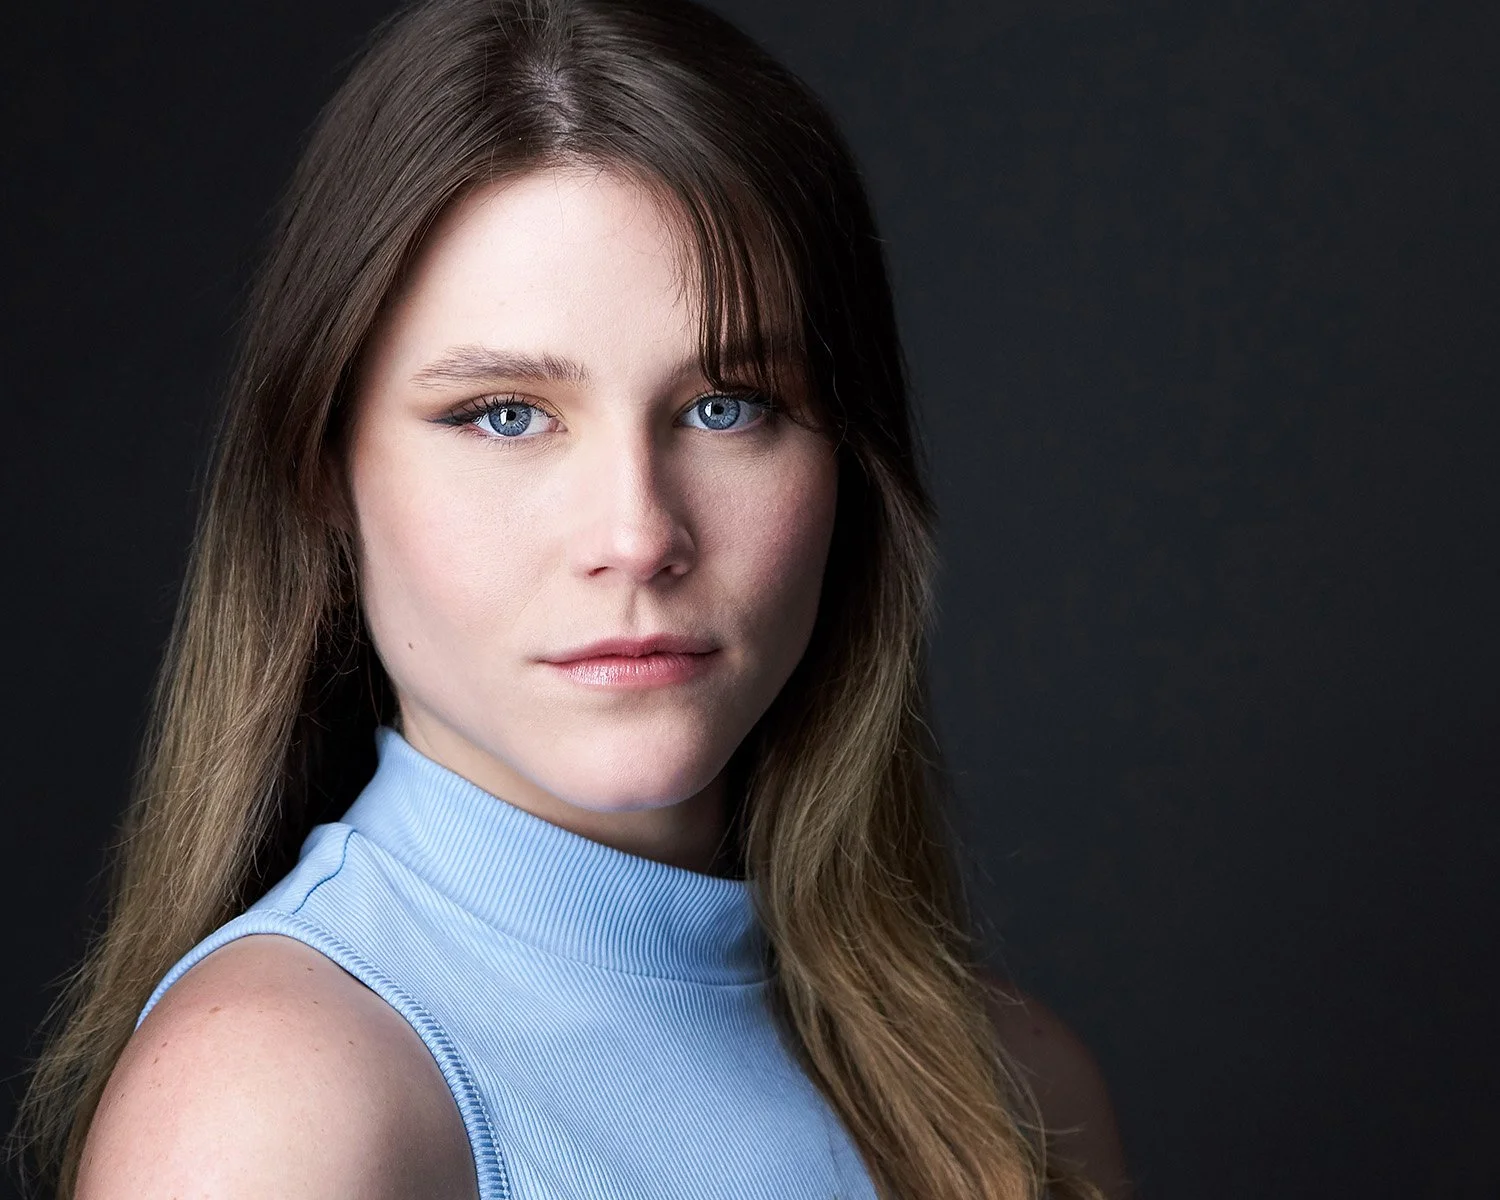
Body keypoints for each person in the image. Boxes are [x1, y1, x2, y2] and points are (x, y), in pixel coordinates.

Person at [10, 0, 1132, 1197]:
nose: (638, 536)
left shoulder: (1015, 1094)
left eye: (727, 405)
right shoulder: (277, 1105)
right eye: (505, 415)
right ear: (323, 482)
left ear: (850, 466)